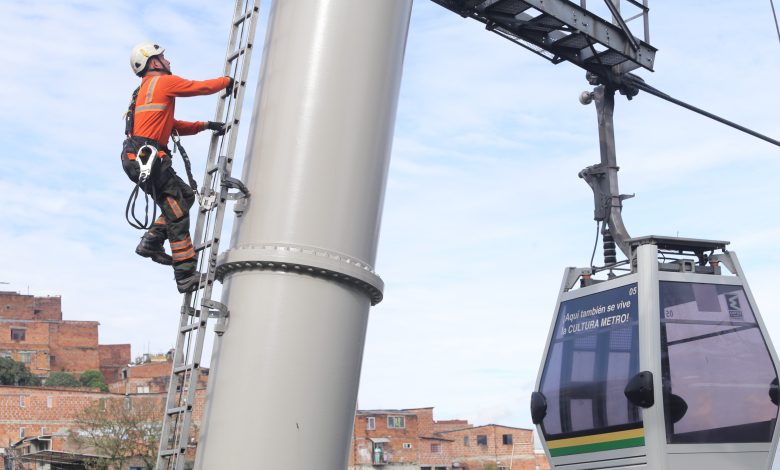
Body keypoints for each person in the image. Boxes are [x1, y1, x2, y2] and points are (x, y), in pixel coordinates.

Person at [122, 42, 233, 293]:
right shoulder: (162, 82)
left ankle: (151, 242)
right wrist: (227, 81)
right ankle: (185, 275)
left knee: (185, 197)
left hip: (142, 159)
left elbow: (172, 125)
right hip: (149, 159)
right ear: (153, 62)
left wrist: (205, 125)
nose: (168, 61)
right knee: (177, 211)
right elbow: (199, 87)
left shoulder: (144, 91)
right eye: (163, 57)